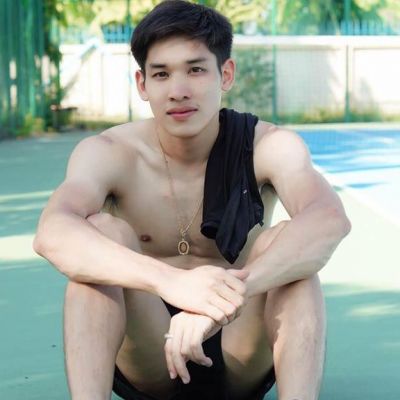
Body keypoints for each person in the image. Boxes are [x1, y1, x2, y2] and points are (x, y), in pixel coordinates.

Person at [33, 1, 351, 399]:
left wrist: (224, 299)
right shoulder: (110, 152)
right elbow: (53, 233)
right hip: (148, 351)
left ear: (226, 74)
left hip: (240, 347)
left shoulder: (268, 145)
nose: (178, 91)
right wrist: (173, 282)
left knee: (290, 247)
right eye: (161, 74)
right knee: (98, 236)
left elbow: (328, 219)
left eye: (196, 70)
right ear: (142, 84)